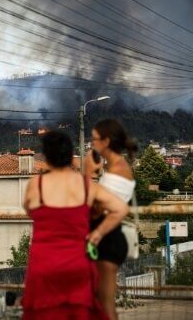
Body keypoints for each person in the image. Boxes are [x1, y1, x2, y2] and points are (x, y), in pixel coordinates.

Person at [22, 131, 129, 320]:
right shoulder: (86, 186)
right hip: (77, 264)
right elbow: (120, 208)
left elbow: (29, 209)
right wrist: (97, 234)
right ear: (71, 155)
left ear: (46, 156)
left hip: (44, 265)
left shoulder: (35, 185)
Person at [85, 119, 137, 320]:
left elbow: (96, 210)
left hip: (107, 240)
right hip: (108, 239)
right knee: (101, 301)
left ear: (105, 141)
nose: (92, 143)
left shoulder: (118, 171)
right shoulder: (116, 166)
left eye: (94, 139)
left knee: (104, 303)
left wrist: (88, 175)